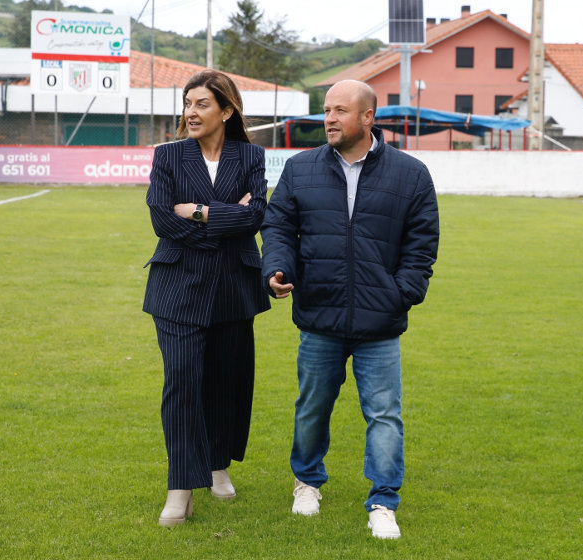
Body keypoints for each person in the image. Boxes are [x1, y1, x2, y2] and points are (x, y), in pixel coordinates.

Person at [260, 79, 439, 539]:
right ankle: (307, 482)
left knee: (384, 414)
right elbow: (277, 225)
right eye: (326, 110)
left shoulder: (411, 173)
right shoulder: (301, 170)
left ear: (367, 118)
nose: (330, 119)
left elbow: (422, 245)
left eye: (340, 110)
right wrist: (276, 268)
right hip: (319, 315)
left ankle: (382, 501)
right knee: (312, 407)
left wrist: (402, 292)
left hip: (380, 322)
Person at [143, 69, 270, 527]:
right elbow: (162, 220)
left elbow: (255, 216)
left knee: (224, 383)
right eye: (187, 103)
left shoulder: (251, 155)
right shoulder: (168, 156)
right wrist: (224, 220)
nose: (190, 112)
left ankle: (218, 468)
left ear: (226, 110)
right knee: (181, 383)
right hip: (177, 289)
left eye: (201, 104)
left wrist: (197, 212)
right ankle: (180, 489)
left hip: (235, 289)